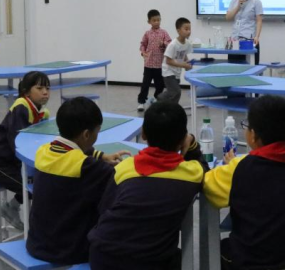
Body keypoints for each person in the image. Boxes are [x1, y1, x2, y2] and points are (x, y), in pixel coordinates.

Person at [203, 95, 285, 270]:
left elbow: (208, 185)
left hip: (255, 262)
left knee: (222, 249)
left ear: (253, 135)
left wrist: (230, 164)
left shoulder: (239, 167)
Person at [88, 102, 207, 270]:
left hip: (103, 257)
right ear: (182, 140)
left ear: (143, 133)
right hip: (152, 261)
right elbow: (204, 168)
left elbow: (104, 209)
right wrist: (192, 143)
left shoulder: (124, 168)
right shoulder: (191, 173)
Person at [27, 97, 129, 265]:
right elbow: (119, 182)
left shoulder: (43, 151)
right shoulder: (89, 168)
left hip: (36, 243)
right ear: (86, 134)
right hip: (70, 250)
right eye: (97, 132)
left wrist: (101, 155)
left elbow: (73, 152)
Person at [0, 71, 51, 230]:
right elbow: (17, 143)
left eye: (47, 88)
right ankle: (36, 229)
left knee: (43, 183)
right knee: (36, 188)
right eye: (39, 88)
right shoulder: (21, 106)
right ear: (26, 92)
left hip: (14, 164)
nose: (45, 92)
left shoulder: (42, 111)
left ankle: (11, 206)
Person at [138, 9, 172, 112]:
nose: (157, 22)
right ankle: (141, 102)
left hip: (159, 65)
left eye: (158, 20)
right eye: (154, 20)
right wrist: (143, 52)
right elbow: (142, 44)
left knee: (160, 85)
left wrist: (164, 43)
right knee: (145, 85)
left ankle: (157, 99)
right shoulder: (147, 33)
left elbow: (170, 44)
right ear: (149, 21)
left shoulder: (164, 33)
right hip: (148, 65)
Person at [225, 0, 264, 64]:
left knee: (250, 66)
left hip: (249, 40)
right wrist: (238, 7)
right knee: (233, 67)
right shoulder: (234, 1)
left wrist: (257, 36)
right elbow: (228, 17)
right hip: (235, 40)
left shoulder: (256, 2)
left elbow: (259, 21)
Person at [156, 17, 193, 104]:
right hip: (168, 72)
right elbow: (168, 61)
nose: (189, 31)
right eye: (186, 29)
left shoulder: (187, 43)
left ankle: (167, 105)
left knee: (173, 93)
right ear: (178, 31)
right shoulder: (173, 44)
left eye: (189, 29)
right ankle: (160, 99)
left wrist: (188, 64)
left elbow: (184, 55)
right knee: (176, 92)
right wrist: (183, 65)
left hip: (176, 72)